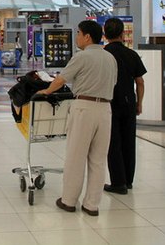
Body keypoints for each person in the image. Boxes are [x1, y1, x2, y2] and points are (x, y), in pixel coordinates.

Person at [36, 20, 117, 216]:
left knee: (76, 156)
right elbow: (113, 82)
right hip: (105, 109)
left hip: (84, 108)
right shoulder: (110, 58)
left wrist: (47, 91)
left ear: (87, 37)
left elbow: (61, 79)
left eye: (79, 33)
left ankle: (69, 200)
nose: (77, 37)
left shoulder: (82, 56)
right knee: (98, 159)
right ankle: (92, 205)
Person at [103, 18, 146, 195]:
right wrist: (139, 102)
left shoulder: (104, 55)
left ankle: (118, 182)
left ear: (105, 35)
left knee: (113, 143)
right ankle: (128, 181)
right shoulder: (131, 54)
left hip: (109, 103)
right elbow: (140, 82)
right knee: (129, 141)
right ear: (122, 34)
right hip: (129, 102)